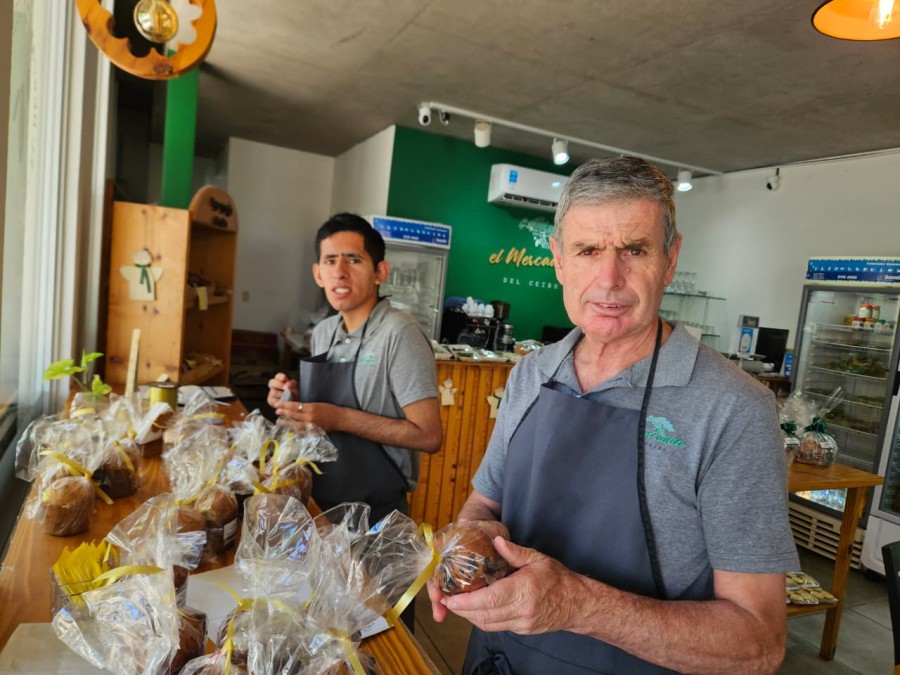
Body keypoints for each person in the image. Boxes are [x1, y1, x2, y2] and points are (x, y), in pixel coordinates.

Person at [428, 157, 799, 674]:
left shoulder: (734, 410)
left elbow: (759, 643)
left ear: (670, 260)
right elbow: (484, 505)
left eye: (635, 250)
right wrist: (458, 551)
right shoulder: (530, 376)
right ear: (558, 259)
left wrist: (578, 605)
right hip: (499, 661)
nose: (609, 279)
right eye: (588, 250)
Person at [267, 213, 442, 525]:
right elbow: (320, 413)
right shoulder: (323, 331)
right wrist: (292, 398)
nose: (340, 272)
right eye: (330, 261)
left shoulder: (400, 334)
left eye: (353, 260)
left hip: (377, 516)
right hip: (319, 503)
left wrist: (337, 418)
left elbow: (428, 436)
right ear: (317, 273)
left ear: (380, 271)